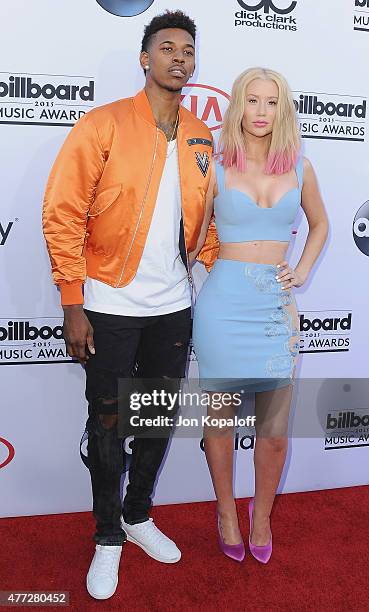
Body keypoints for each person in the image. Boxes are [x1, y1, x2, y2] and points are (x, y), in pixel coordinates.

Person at [42, 10, 213, 600]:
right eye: (166, 47)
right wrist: (72, 301)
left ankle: (138, 515)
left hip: (172, 307)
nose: (178, 58)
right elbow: (62, 213)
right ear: (145, 58)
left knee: (157, 420)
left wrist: (208, 267)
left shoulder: (199, 136)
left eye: (187, 50)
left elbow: (205, 217)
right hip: (108, 303)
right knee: (110, 424)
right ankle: (108, 538)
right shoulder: (103, 125)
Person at [192, 67, 328, 563]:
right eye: (253, 101)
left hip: (275, 307)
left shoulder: (301, 166)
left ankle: (262, 515)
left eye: (273, 102)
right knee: (220, 425)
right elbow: (190, 232)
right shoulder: (215, 165)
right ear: (238, 105)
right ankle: (227, 511)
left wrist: (301, 271)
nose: (263, 112)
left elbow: (320, 225)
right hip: (223, 305)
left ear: (283, 108)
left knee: (273, 432)